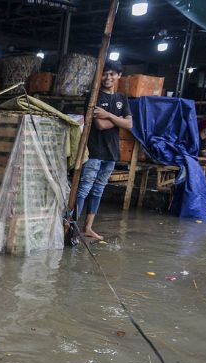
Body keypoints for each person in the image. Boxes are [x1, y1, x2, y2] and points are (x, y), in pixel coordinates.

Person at [75, 60, 133, 240]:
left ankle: (88, 227)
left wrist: (108, 115)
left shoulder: (122, 99)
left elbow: (129, 124)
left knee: (98, 189)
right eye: (105, 73)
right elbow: (99, 125)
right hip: (94, 150)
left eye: (112, 74)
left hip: (112, 152)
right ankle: (71, 226)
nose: (108, 77)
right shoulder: (94, 96)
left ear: (119, 76)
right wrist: (118, 120)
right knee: (84, 188)